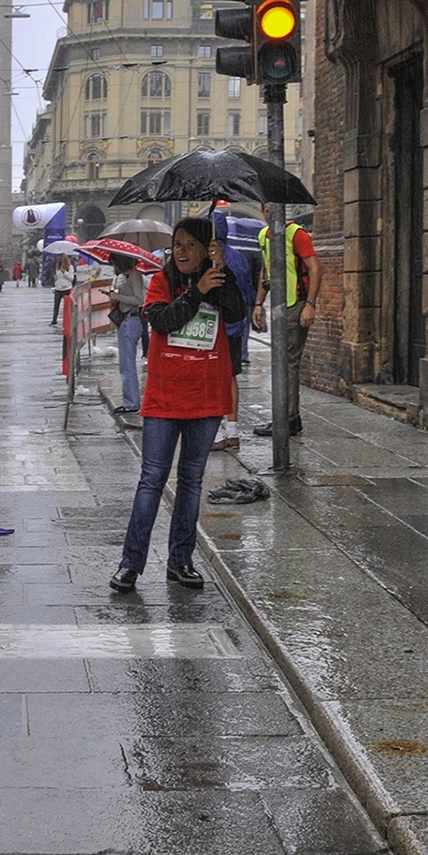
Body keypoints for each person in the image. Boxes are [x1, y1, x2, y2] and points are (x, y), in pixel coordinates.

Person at [110, 218, 245, 594]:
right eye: (178, 245)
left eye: (191, 245)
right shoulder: (160, 282)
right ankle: (130, 564)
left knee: (191, 482)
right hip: (165, 397)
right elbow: (163, 322)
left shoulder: (219, 279)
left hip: (206, 396)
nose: (182, 252)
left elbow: (236, 314)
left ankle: (180, 561)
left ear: (206, 249)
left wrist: (223, 274)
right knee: (151, 480)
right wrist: (197, 292)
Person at [251, 204, 320, 436]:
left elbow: (315, 268)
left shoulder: (296, 234)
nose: (270, 213)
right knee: (283, 362)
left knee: (288, 363)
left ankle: (286, 419)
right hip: (279, 306)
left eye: (274, 208)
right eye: (266, 209)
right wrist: (258, 303)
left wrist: (310, 305)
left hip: (296, 304)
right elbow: (266, 271)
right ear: (262, 212)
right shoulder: (264, 235)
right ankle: (291, 418)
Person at [212, 208, 256, 451]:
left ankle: (216, 432)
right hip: (236, 328)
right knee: (231, 376)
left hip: (216, 329)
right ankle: (233, 428)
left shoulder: (211, 258)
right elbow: (247, 293)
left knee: (213, 378)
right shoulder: (239, 257)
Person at [107, 253, 148, 414]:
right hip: (128, 321)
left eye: (114, 263)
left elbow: (139, 299)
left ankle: (131, 403)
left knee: (127, 365)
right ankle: (130, 401)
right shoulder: (129, 277)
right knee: (126, 364)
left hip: (130, 322)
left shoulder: (135, 276)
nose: (113, 267)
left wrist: (118, 296)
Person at [51, 253, 76, 326]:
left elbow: (71, 278)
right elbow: (57, 278)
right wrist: (54, 275)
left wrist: (64, 272)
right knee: (56, 305)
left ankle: (68, 319)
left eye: (60, 259)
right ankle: (54, 320)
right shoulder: (58, 267)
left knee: (67, 306)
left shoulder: (70, 267)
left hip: (66, 288)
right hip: (58, 288)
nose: (58, 260)